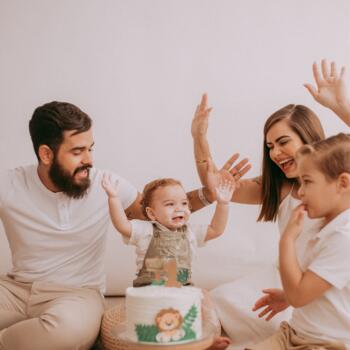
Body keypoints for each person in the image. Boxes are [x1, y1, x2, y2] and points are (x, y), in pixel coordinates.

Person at [0, 101, 230, 350]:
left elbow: (160, 212)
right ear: (46, 154)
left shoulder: (106, 184)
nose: (89, 159)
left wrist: (210, 193)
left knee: (65, 332)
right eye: (77, 152)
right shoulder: (10, 183)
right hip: (15, 291)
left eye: (90, 149)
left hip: (76, 295)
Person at [190, 60, 350, 346]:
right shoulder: (279, 186)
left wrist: (340, 106)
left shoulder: (337, 184)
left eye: (283, 141)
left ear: (308, 138)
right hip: (286, 282)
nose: (275, 152)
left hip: (320, 291)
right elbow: (216, 187)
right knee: (220, 300)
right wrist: (199, 138)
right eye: (269, 146)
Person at [102, 175, 235, 349]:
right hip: (150, 289)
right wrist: (113, 198)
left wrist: (223, 204)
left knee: (205, 299)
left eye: (184, 203)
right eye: (170, 204)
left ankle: (207, 337)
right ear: (152, 213)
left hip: (182, 289)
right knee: (135, 318)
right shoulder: (145, 230)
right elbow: (122, 225)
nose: (179, 208)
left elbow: (216, 229)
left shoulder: (190, 232)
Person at [248, 132, 350, 349]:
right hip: (295, 333)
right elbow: (318, 286)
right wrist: (287, 295)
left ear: (342, 183)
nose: (301, 192)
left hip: (325, 343)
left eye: (308, 182)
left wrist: (286, 240)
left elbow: (299, 296)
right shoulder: (324, 225)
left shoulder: (344, 238)